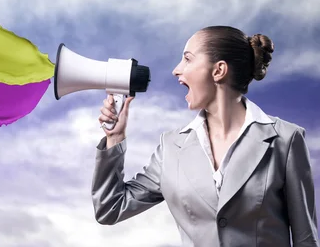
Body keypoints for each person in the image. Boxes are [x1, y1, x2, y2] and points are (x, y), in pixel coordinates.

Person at [92, 26, 319, 247]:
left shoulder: (285, 140)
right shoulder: (171, 147)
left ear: (218, 70)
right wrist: (115, 137)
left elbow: (305, 239)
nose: (176, 70)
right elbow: (111, 208)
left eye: (188, 59)